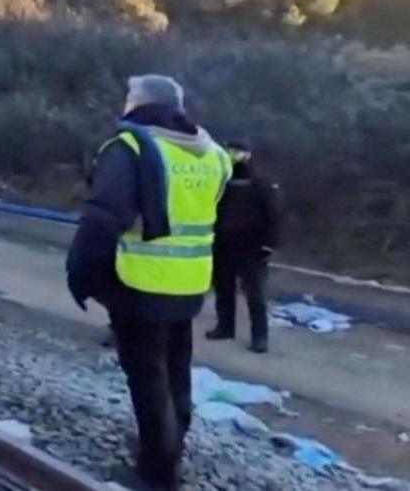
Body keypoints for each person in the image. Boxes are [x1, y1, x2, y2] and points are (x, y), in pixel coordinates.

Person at [66, 75, 232, 491]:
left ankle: (159, 473)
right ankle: (170, 445)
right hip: (191, 282)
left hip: (141, 283)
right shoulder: (212, 153)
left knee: (147, 376)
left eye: (128, 97)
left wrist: (80, 274)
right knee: (176, 368)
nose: (124, 103)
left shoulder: (132, 147)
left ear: (140, 102)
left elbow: (104, 219)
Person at [206, 140, 281, 354]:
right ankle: (225, 327)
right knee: (223, 289)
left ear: (248, 154)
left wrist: (269, 244)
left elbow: (273, 215)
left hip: (253, 248)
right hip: (223, 244)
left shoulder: (260, 182)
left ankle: (259, 337)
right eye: (230, 150)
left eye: (238, 151)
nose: (233, 155)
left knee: (255, 294)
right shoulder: (222, 180)